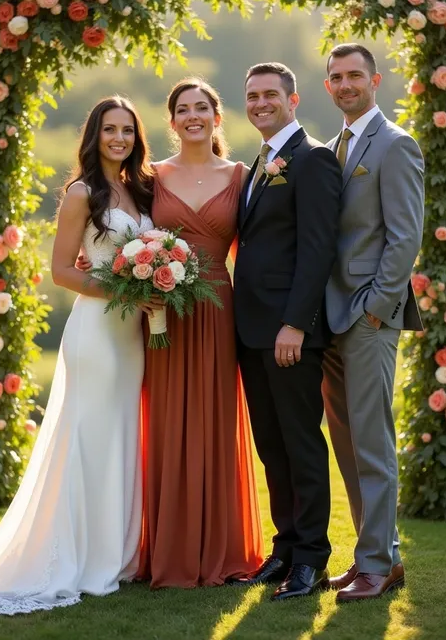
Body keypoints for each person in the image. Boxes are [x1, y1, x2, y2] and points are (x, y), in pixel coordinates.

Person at [0, 96, 157, 615]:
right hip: (97, 333)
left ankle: (118, 557)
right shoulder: (82, 192)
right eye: (109, 130)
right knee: (89, 439)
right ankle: (78, 558)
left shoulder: (138, 190)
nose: (119, 138)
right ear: (94, 136)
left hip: (131, 339)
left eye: (127, 130)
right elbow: (63, 272)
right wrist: (126, 290)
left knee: (121, 436)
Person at [137, 77, 264, 589]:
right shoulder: (149, 176)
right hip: (164, 311)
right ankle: (167, 549)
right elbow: (120, 231)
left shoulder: (240, 174)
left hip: (218, 311)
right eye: (183, 109)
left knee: (215, 420)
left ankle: (220, 548)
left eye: (202, 107)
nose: (193, 116)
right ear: (171, 122)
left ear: (217, 115)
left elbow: (259, 248)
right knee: (165, 422)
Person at [232, 62, 342, 600]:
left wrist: (296, 323)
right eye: (252, 96)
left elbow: (318, 248)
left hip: (288, 332)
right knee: (271, 445)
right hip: (251, 331)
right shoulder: (261, 161)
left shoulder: (312, 158)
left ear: (293, 100)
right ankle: (285, 549)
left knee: (300, 443)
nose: (259, 103)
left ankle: (313, 561)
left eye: (270, 94)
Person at [322, 43, 424, 602]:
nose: (344, 84)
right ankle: (378, 554)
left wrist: (376, 308)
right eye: (335, 77)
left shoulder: (396, 145)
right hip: (330, 317)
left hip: (367, 315)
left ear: (375, 80)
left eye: (354, 75)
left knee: (371, 441)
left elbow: (404, 235)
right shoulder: (335, 144)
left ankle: (377, 565)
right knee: (346, 441)